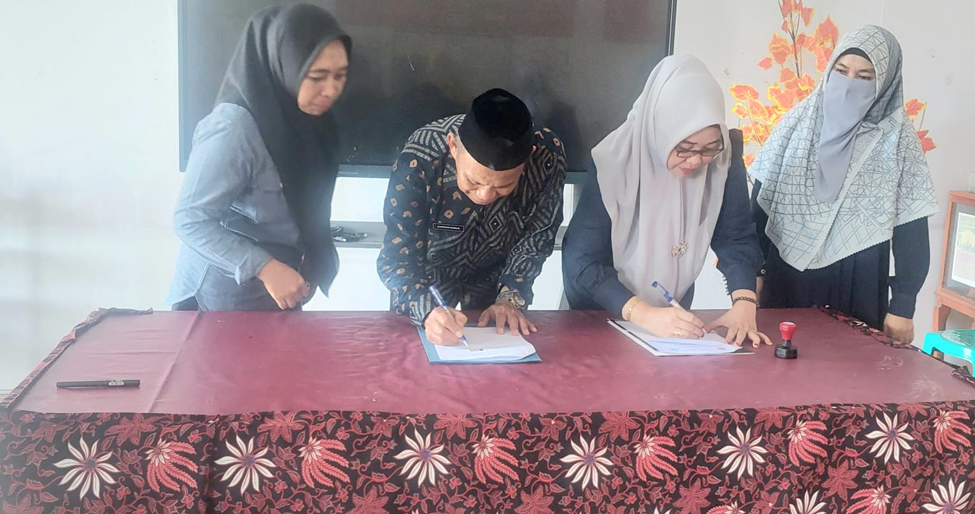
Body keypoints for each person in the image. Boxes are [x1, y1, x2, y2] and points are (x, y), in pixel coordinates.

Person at [562, 55, 769, 348]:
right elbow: (581, 261)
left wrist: (744, 301)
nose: (696, 161)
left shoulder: (723, 158)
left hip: (672, 312)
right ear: (660, 130)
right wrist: (644, 314)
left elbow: (735, 237)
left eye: (708, 149)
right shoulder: (615, 161)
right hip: (601, 310)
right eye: (684, 147)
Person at [750, 26, 938, 343]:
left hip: (858, 282)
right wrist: (752, 275)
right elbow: (759, 206)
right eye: (841, 71)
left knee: (851, 369)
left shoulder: (897, 139)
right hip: (786, 277)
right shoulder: (797, 123)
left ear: (885, 83)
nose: (849, 83)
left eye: (864, 77)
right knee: (780, 366)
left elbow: (912, 227)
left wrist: (903, 305)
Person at [166, 4, 351, 311]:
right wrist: (264, 267)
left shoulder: (314, 122)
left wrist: (311, 255)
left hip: (283, 284)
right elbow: (190, 219)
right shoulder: (233, 128)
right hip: (224, 294)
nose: (331, 89)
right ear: (283, 66)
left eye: (340, 75)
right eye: (317, 76)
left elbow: (307, 203)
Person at [377, 89, 567, 345]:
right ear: (453, 146)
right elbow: (397, 257)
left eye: (503, 186)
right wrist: (426, 311)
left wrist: (509, 297)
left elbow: (538, 235)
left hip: (498, 273)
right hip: (427, 277)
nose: (485, 195)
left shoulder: (547, 156)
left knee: (498, 352)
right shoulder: (420, 156)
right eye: (473, 181)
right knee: (414, 354)